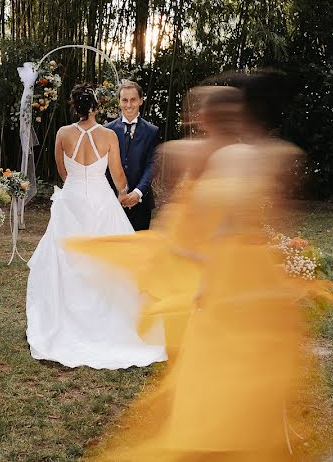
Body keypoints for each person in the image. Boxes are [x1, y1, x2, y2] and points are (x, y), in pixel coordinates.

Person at [67, 77, 312, 460]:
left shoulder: (242, 159)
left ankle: (226, 426)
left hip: (232, 266)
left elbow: (247, 220)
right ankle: (218, 424)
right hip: (218, 261)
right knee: (218, 350)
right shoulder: (220, 157)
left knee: (230, 350)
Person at [24, 83, 167, 369]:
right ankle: (112, 321)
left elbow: (62, 171)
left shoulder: (63, 134)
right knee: (108, 262)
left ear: (74, 106)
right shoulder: (108, 135)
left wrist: (78, 182)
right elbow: (118, 176)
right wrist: (122, 191)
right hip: (102, 201)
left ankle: (65, 319)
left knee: (68, 261)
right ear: (97, 106)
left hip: (72, 200)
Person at [105, 80, 159, 230]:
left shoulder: (152, 131)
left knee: (137, 251)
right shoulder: (107, 130)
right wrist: (117, 193)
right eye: (125, 100)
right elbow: (104, 167)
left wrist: (138, 192)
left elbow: (152, 165)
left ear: (141, 101)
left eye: (133, 100)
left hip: (141, 204)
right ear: (119, 102)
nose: (129, 105)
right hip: (112, 201)